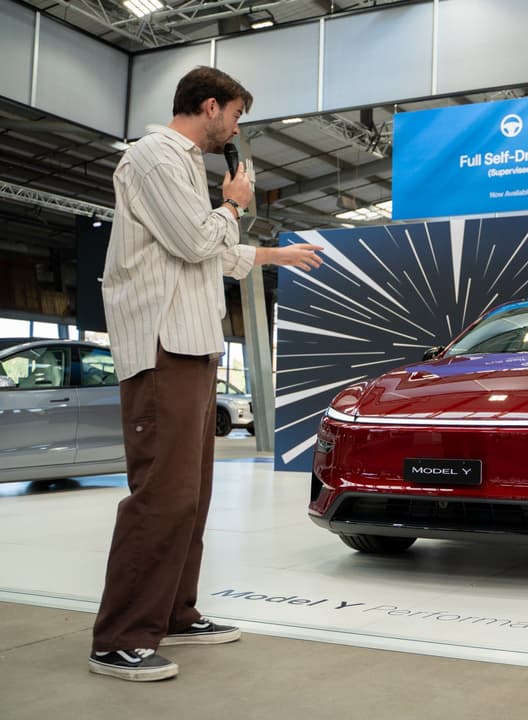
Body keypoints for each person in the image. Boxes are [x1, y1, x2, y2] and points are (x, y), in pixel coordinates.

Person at [90, 66, 324, 682]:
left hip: (193, 345)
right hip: (162, 345)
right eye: (237, 116)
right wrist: (233, 204)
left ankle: (174, 613)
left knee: (191, 496)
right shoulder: (154, 157)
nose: (237, 128)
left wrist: (272, 252)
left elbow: (211, 253)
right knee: (161, 496)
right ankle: (118, 638)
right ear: (211, 105)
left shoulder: (184, 166)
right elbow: (198, 242)